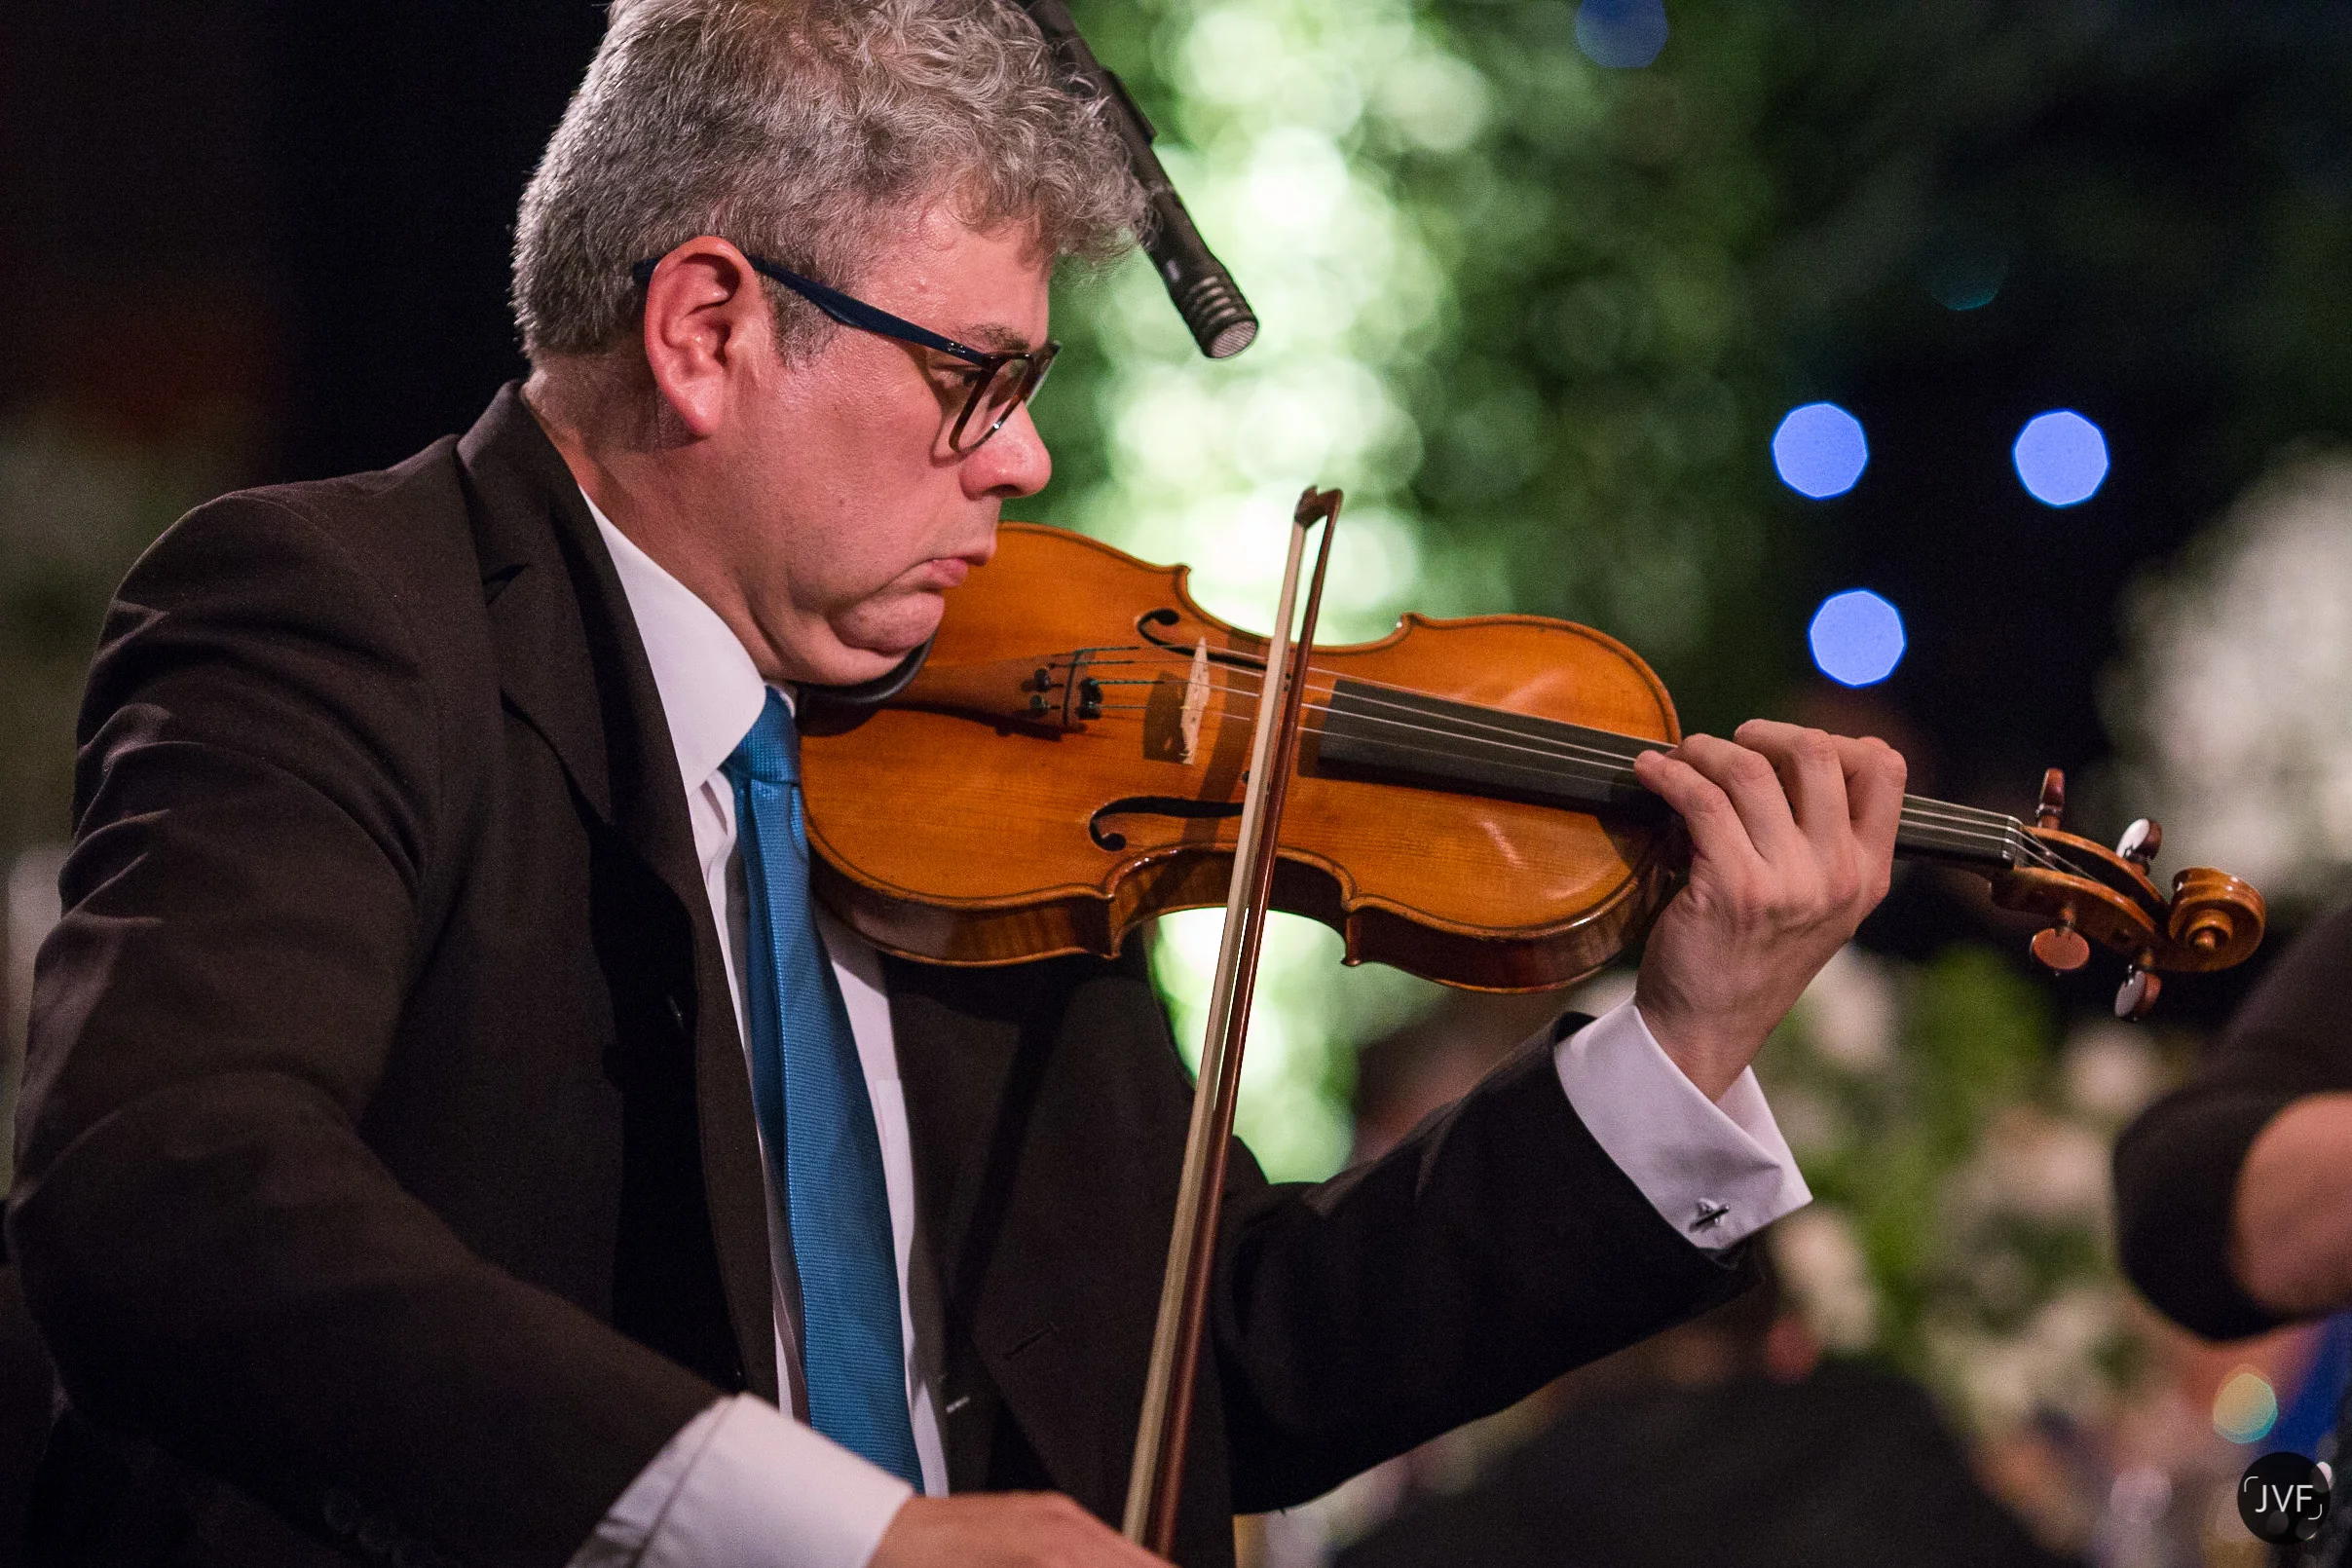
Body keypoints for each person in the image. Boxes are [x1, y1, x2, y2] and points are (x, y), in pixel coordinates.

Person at [9, 2, 1907, 1565]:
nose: (1023, 462)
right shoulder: (343, 619)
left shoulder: (986, 745)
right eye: (975, 379)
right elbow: (168, 1194)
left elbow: (1227, 1348)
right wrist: (857, 1541)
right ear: (707, 327)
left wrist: (1685, 1039)